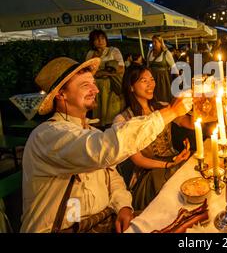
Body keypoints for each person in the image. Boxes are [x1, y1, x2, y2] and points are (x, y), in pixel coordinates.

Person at [21, 57, 192, 233]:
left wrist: (124, 206)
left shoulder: (91, 132)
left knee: (179, 218)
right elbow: (102, 150)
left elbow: (112, 177)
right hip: (64, 228)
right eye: (85, 85)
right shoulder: (47, 135)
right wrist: (171, 112)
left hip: (104, 222)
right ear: (61, 93)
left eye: (93, 83)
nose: (95, 89)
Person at [113, 65, 192, 210]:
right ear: (131, 87)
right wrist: (167, 165)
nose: (151, 84)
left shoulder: (163, 107)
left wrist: (204, 104)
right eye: (144, 80)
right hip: (150, 172)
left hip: (174, 160)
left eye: (152, 79)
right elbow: (139, 159)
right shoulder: (123, 120)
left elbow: (190, 123)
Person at [85, 29, 124, 127]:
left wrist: (103, 72)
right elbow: (86, 70)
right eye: (97, 39)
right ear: (93, 42)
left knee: (111, 114)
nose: (100, 41)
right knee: (97, 112)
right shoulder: (90, 54)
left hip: (110, 88)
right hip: (95, 88)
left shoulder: (113, 51)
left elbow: (121, 68)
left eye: (102, 38)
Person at [146, 35, 178, 103]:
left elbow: (174, 68)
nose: (153, 44)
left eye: (155, 42)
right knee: (153, 97)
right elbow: (148, 66)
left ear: (161, 43)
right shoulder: (150, 53)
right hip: (152, 78)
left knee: (163, 97)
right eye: (152, 42)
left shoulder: (166, 53)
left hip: (163, 79)